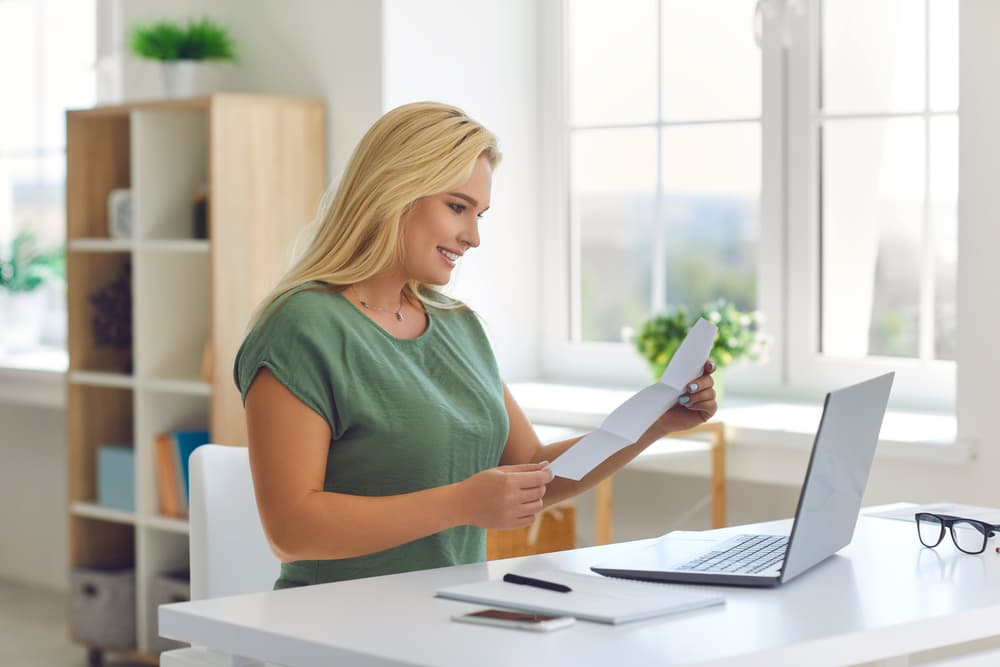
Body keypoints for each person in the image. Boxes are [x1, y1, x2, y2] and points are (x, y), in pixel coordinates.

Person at [234, 101, 717, 589]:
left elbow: (533, 472)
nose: (473, 237)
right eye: (457, 207)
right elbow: (291, 530)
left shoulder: (457, 326)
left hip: (454, 615)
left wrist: (655, 422)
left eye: (479, 213)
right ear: (393, 191)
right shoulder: (301, 327)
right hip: (331, 627)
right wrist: (461, 503)